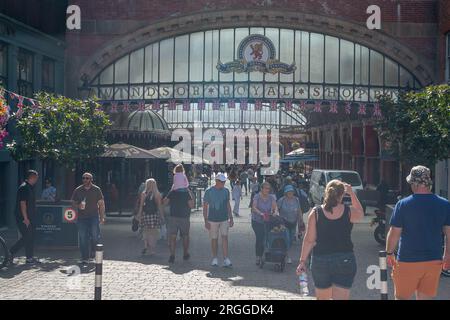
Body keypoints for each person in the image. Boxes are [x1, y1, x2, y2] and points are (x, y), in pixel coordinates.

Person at [386, 165, 450, 300]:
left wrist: (389, 253)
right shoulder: (444, 204)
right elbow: (449, 233)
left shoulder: (403, 204)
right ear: (429, 183)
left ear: (413, 184)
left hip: (407, 261)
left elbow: (394, 233)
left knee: (402, 298)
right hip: (434, 261)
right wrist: (447, 255)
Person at [296, 180, 364, 300]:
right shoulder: (349, 211)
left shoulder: (316, 213)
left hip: (321, 260)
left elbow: (309, 240)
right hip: (345, 259)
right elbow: (360, 214)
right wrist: (352, 193)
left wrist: (302, 261)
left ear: (326, 193)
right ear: (342, 194)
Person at [71, 173, 106, 264]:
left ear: (91, 179)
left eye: (87, 178)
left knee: (95, 236)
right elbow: (73, 202)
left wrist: (102, 217)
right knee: (83, 237)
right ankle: (84, 257)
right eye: (83, 178)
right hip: (82, 218)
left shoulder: (96, 189)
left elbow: (101, 204)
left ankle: (94, 253)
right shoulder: (78, 190)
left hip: (93, 216)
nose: (85, 180)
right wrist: (78, 205)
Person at [9, 170, 40, 265]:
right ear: (32, 177)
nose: (37, 180)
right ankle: (10, 252)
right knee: (27, 236)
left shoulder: (30, 187)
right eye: (36, 178)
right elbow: (22, 204)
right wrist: (25, 218)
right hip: (23, 218)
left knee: (31, 237)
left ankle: (29, 258)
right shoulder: (24, 187)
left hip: (30, 217)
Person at [203, 173, 234, 267]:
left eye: (224, 181)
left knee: (225, 237)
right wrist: (206, 220)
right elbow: (205, 206)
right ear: (216, 181)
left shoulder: (226, 191)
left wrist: (231, 218)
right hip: (212, 219)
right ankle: (215, 258)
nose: (223, 183)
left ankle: (226, 258)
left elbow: (228, 204)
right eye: (221, 181)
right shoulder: (209, 191)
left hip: (224, 218)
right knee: (214, 239)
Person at [163, 186, 194, 263]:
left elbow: (164, 202)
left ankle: (172, 255)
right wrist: (189, 192)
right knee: (185, 236)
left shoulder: (172, 192)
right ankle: (185, 253)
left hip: (173, 216)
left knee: (172, 236)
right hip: (184, 217)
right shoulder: (187, 193)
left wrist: (171, 191)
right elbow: (191, 205)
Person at [251, 182, 278, 266]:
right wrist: (260, 213)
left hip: (268, 220)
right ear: (261, 189)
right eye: (265, 188)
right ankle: (258, 256)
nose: (267, 190)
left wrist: (275, 212)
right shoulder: (257, 196)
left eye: (268, 188)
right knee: (260, 238)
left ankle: (268, 253)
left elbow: (275, 207)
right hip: (257, 221)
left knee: (269, 237)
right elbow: (254, 207)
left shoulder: (271, 197)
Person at [277, 185, 304, 264]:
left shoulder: (296, 200)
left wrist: (301, 220)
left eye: (291, 192)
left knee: (291, 240)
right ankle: (287, 256)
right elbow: (275, 209)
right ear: (285, 193)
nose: (290, 194)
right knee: (287, 239)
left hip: (293, 222)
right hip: (284, 223)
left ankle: (286, 254)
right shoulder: (281, 200)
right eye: (289, 192)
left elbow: (299, 210)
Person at [137, 178, 164, 256]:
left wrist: (139, 214)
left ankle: (145, 245)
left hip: (145, 215)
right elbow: (159, 206)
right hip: (154, 215)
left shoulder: (143, 193)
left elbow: (141, 205)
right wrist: (162, 216)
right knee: (153, 232)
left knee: (145, 230)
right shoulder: (157, 194)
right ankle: (152, 249)